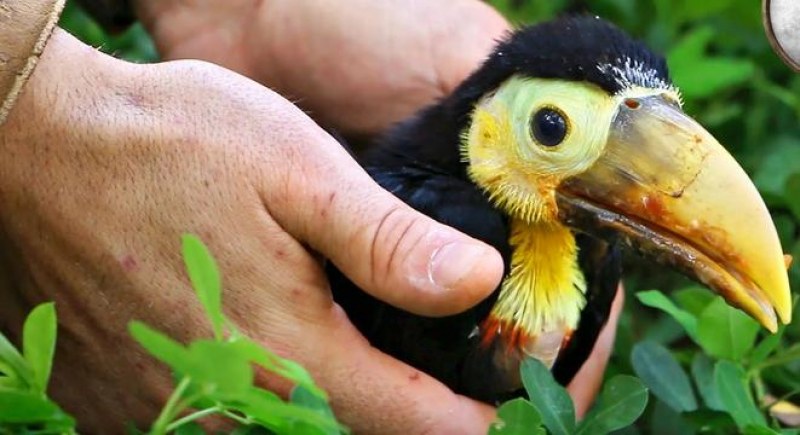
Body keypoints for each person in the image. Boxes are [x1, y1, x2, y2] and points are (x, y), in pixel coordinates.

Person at [0, 1, 622, 433]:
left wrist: (241, 9)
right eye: (550, 125)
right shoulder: (456, 220)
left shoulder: (587, 257)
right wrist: (28, 103)